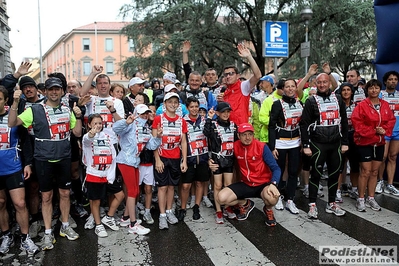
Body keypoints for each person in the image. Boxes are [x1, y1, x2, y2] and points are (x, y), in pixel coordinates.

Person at [8, 77, 83, 250]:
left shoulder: (66, 109)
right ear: (45, 91)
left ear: (62, 91)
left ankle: (65, 225)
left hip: (64, 157)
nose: (54, 92)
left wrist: (78, 116)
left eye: (57, 89)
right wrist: (15, 103)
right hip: (43, 159)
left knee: (65, 194)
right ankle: (48, 232)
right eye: (51, 89)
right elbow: (12, 123)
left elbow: (77, 133)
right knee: (46, 197)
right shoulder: (35, 109)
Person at [299, 73, 349, 219]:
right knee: (316, 175)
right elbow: (304, 125)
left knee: (334, 174)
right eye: (319, 82)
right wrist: (306, 145)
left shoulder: (338, 98)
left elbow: (344, 122)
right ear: (316, 83)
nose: (322, 85)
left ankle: (332, 203)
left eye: (325, 82)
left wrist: (345, 142)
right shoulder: (310, 101)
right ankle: (312, 205)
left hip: (335, 143)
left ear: (329, 83)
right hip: (318, 144)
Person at [215, 123, 281, 226]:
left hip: (262, 184)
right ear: (238, 136)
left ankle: (268, 209)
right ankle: (245, 204)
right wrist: (211, 162)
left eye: (250, 134)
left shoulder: (262, 146)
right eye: (244, 134)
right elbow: (221, 156)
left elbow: (276, 168)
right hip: (246, 183)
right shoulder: (235, 146)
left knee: (272, 198)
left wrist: (273, 184)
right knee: (221, 198)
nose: (247, 137)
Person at [0, 86, 39, 255]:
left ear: (5, 100)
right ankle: (6, 235)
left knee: (20, 203)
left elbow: (26, 141)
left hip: (14, 167)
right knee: (0, 203)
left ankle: (25, 237)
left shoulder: (13, 116)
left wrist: (28, 163)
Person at [113, 104, 161, 235]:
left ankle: (125, 218)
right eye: (142, 113)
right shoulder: (130, 125)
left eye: (146, 113)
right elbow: (115, 128)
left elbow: (151, 145)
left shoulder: (146, 128)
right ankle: (133, 224)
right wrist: (126, 122)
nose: (144, 116)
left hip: (135, 161)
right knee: (133, 191)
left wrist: (158, 137)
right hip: (125, 161)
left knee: (134, 191)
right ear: (136, 113)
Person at [351, 79, 395, 211]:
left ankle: (371, 197)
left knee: (375, 171)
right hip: (364, 142)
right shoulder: (362, 105)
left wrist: (384, 131)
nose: (374, 90)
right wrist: (374, 131)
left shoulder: (385, 105)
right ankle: (360, 198)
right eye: (371, 88)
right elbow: (357, 124)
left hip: (380, 143)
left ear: (380, 90)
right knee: (365, 171)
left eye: (376, 88)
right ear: (367, 90)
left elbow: (391, 120)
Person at [152, 92, 188, 229]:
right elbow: (154, 141)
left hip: (175, 157)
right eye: (170, 102)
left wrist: (184, 160)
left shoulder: (181, 121)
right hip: (162, 156)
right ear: (165, 104)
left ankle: (169, 211)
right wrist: (157, 159)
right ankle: (162, 215)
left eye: (175, 102)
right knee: (162, 187)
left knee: (172, 186)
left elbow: (183, 142)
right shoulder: (158, 119)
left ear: (178, 105)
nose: (173, 104)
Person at [268, 79, 303, 214]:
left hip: (295, 142)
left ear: (295, 88)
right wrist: (272, 147)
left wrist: (303, 142)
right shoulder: (277, 104)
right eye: (287, 87)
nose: (290, 89)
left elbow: (303, 124)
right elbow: (271, 126)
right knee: (279, 171)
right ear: (283, 89)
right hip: (280, 142)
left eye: (292, 86)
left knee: (293, 172)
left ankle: (290, 199)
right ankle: (277, 198)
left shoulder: (300, 103)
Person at [82, 114, 118, 238]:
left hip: (107, 175)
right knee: (95, 201)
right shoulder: (87, 138)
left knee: (120, 195)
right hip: (94, 174)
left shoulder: (107, 137)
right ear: (89, 125)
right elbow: (88, 139)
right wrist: (91, 133)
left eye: (100, 123)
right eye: (95, 123)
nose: (98, 125)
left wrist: (110, 175)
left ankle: (108, 217)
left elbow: (113, 157)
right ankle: (98, 225)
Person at [176, 97, 210, 222]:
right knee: (185, 185)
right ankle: (183, 208)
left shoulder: (205, 120)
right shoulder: (182, 121)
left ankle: (196, 206)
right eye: (192, 107)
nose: (195, 109)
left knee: (200, 182)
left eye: (196, 107)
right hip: (189, 157)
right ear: (187, 107)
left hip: (202, 156)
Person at [204, 102, 238, 224]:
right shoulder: (213, 125)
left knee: (228, 185)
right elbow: (206, 133)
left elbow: (237, 142)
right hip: (217, 159)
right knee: (217, 185)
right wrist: (209, 118)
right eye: (223, 112)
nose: (226, 114)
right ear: (218, 113)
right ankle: (218, 210)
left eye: (228, 111)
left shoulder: (234, 125)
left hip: (229, 159)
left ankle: (227, 207)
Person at [222, 43, 262, 126]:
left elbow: (258, 76)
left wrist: (249, 57)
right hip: (227, 129)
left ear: (238, 76)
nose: (228, 76)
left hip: (241, 129)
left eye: (231, 74)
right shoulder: (224, 91)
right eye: (226, 74)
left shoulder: (243, 86)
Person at [335, 82, 359, 202]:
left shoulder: (357, 105)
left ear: (352, 92)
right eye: (343, 90)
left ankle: (354, 189)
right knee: (340, 165)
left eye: (348, 90)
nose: (346, 92)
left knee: (355, 165)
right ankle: (337, 190)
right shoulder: (337, 105)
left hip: (354, 136)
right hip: (340, 137)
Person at [377, 71, 399, 196]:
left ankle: (390, 184)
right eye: (390, 79)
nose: (393, 81)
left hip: (397, 130)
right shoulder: (380, 94)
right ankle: (380, 181)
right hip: (384, 130)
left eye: (395, 79)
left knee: (393, 157)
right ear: (385, 81)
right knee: (383, 156)